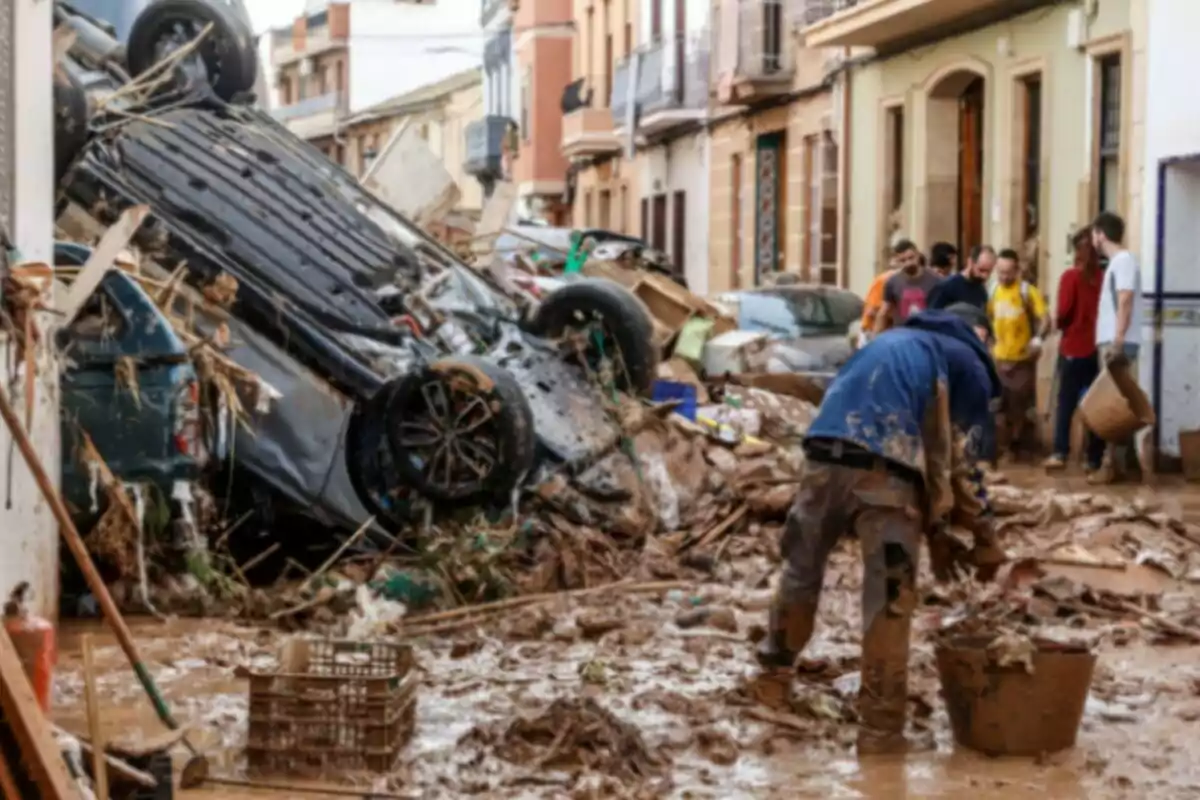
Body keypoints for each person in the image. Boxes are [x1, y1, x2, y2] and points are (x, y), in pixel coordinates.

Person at [752, 304, 1004, 755]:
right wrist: (985, 538)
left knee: (800, 570)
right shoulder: (968, 361)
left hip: (821, 458)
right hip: (886, 474)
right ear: (980, 335)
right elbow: (962, 462)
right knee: (888, 600)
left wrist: (939, 529)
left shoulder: (889, 341)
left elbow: (932, 450)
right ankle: (881, 732)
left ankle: (773, 677)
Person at [1090, 211, 1145, 484]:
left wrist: (1118, 340)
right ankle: (1127, 464)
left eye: (1093, 234)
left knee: (1112, 405)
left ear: (1100, 234)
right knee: (1120, 402)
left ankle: (1111, 465)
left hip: (1117, 342)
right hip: (1116, 340)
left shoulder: (1122, 261)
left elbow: (1125, 299)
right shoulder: (1120, 262)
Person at [1044, 228, 1105, 472]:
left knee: (1066, 403)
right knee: (1095, 404)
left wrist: (1058, 323)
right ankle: (1094, 458)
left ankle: (1060, 452)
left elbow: (1064, 312)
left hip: (1072, 348)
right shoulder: (1102, 277)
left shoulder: (1070, 277)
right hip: (1096, 349)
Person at [988, 248, 1050, 461]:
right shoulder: (992, 291)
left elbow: (1045, 319)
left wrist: (1038, 338)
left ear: (1016, 271)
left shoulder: (1027, 291)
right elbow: (985, 318)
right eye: (1000, 272)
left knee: (1019, 407)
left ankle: (1015, 446)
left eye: (1008, 272)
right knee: (999, 406)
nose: (1004, 277)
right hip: (998, 357)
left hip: (1022, 359)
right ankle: (1002, 446)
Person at [874, 240, 939, 333]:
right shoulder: (892, 282)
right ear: (897, 261)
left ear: (918, 255)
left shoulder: (935, 280)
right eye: (903, 260)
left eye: (911, 258)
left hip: (928, 333)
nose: (908, 263)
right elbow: (883, 312)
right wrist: (875, 338)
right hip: (902, 335)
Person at [927, 245, 995, 310]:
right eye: (981, 270)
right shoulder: (945, 287)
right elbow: (932, 316)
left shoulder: (981, 291)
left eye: (989, 272)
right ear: (970, 262)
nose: (985, 276)